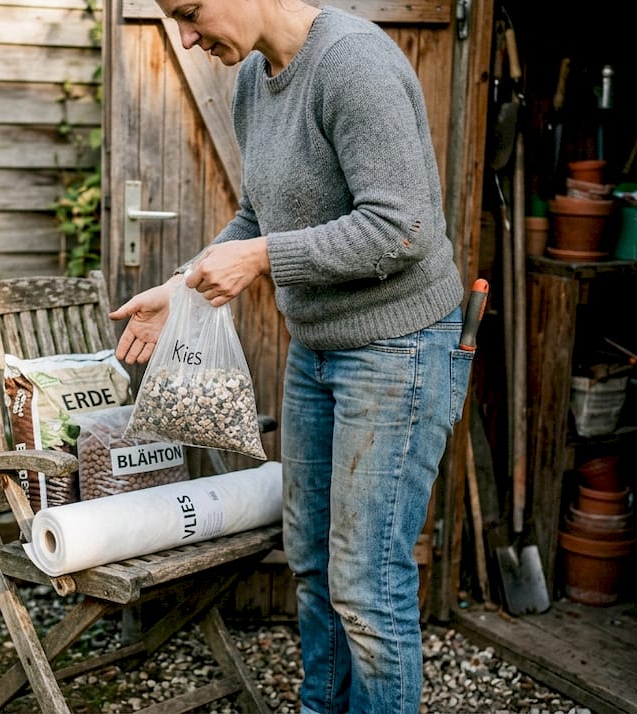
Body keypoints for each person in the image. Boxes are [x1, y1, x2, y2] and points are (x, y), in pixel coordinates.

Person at [108, 1, 471, 712]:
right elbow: (258, 215)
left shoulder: (352, 65)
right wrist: (183, 287)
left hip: (397, 350)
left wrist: (265, 257)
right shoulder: (253, 79)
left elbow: (401, 231)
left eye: (189, 12)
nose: (185, 38)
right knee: (311, 561)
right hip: (319, 350)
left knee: (366, 585)